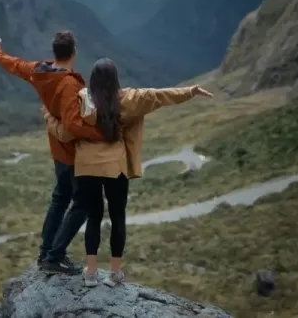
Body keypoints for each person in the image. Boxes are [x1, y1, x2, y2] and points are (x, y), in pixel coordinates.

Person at [42, 57, 213, 287]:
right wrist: (190, 91)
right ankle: (114, 274)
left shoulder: (81, 100)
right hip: (116, 167)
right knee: (117, 217)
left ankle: (90, 273)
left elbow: (65, 133)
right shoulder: (127, 99)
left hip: (86, 167)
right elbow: (159, 96)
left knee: (93, 218)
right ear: (115, 79)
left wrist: (48, 117)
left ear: (92, 80)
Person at [0, 31, 106, 275]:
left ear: (54, 52)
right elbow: (72, 125)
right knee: (86, 203)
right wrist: (101, 135)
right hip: (73, 154)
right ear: (74, 52)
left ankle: (46, 253)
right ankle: (55, 256)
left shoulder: (40, 70)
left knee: (61, 199)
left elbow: (16, 66)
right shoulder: (69, 84)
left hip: (57, 150)